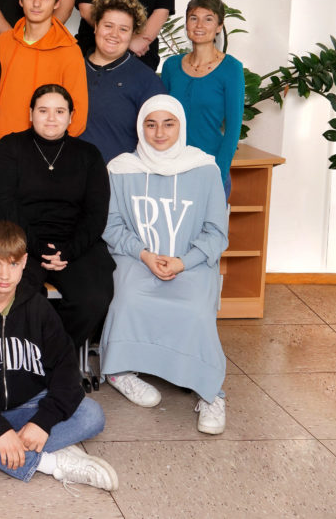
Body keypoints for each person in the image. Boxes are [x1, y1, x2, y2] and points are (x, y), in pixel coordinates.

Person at [0, 220, 117, 490]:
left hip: (31, 405)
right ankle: (51, 462)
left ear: (25, 262)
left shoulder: (38, 308)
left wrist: (43, 422)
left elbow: (65, 368)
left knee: (92, 415)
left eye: (14, 264)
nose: (5, 275)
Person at [100, 95, 229, 435]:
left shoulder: (205, 169)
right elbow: (111, 225)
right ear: (140, 128)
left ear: (180, 126)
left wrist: (183, 262)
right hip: (137, 258)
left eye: (168, 124)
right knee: (129, 300)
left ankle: (210, 392)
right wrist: (144, 254)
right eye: (151, 124)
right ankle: (120, 371)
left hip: (190, 262)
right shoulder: (121, 169)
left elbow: (216, 232)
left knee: (197, 311)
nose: (159, 133)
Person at [0, 85, 114, 349]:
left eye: (60, 111)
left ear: (71, 116)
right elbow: (5, 206)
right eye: (43, 110)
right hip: (20, 240)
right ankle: (23, 355)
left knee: (93, 298)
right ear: (30, 113)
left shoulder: (89, 155)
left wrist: (68, 251)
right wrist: (37, 248)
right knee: (18, 295)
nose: (51, 118)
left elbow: (96, 213)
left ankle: (55, 355)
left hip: (74, 244)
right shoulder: (9, 148)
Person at [161, 0, 245, 197]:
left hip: (210, 167)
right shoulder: (171, 66)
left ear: (219, 26)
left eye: (208, 19)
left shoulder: (231, 68)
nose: (199, 25)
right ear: (186, 24)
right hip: (171, 167)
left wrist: (217, 174)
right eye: (193, 18)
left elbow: (233, 130)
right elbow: (160, 116)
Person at [0, 0, 88, 143]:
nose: (36, 4)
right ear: (20, 0)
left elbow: (78, 113)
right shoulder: (2, 42)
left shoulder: (69, 51)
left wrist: (54, 149)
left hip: (44, 150)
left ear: (57, 3)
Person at [81, 0, 165, 162]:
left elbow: (160, 138)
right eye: (108, 26)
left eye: (123, 29)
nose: (114, 34)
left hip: (122, 174)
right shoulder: (71, 69)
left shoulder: (147, 81)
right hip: (72, 174)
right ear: (96, 26)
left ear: (133, 34)